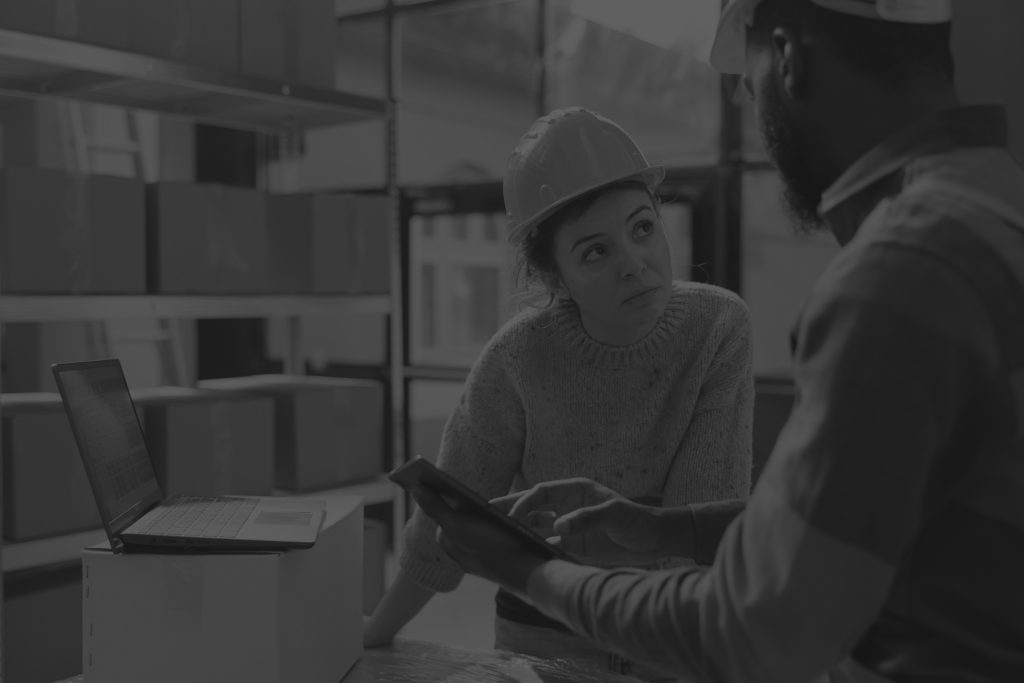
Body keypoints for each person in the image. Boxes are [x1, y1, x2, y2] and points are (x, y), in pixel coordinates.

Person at [409, 1, 1024, 681]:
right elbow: (877, 519)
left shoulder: (899, 275)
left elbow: (753, 630)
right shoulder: (995, 211)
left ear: (788, 59)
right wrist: (668, 529)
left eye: (750, 81)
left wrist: (530, 570)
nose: (753, 112)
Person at [364, 107, 754, 677]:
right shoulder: (517, 357)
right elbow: (446, 516)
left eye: (643, 228)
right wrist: (375, 632)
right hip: (544, 631)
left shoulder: (718, 327)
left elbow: (698, 522)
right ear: (554, 279)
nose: (634, 264)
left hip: (667, 628)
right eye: (596, 251)